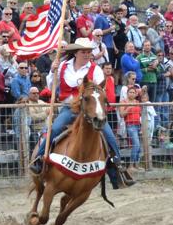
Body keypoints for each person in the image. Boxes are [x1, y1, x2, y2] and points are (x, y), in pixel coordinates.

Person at [30, 38, 131, 187]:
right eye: (83, 51)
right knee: (55, 128)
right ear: (76, 53)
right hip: (69, 108)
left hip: (89, 110)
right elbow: (52, 86)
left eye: (89, 52)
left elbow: (98, 91)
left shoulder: (95, 69)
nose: (87, 54)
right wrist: (52, 71)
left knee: (108, 134)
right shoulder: (63, 66)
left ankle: (117, 167)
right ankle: (39, 160)